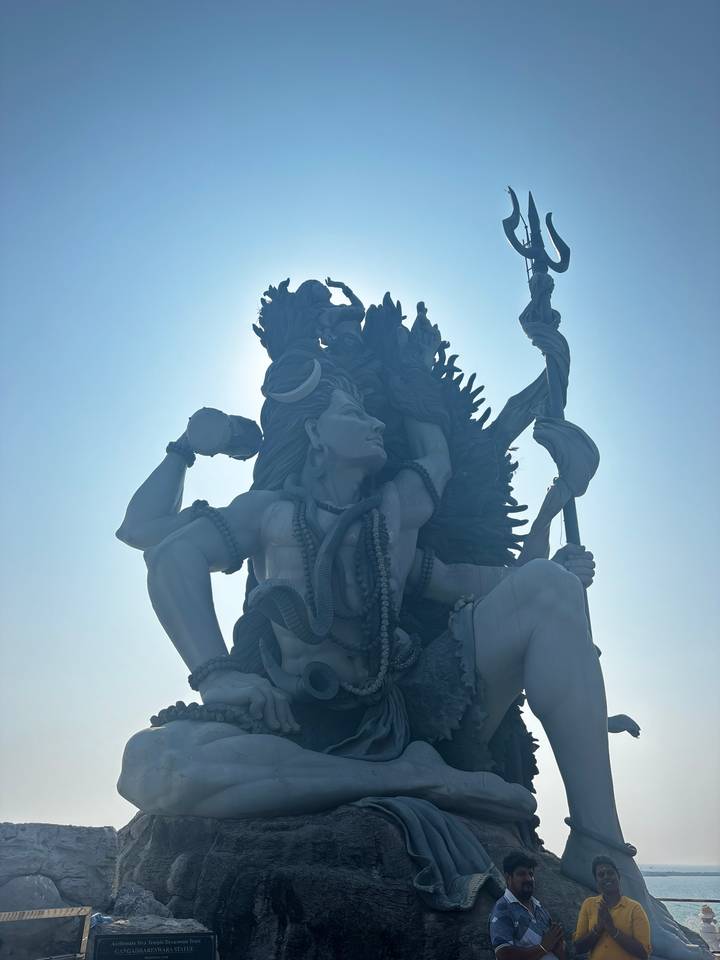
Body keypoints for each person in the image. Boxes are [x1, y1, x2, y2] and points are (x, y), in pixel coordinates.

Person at [115, 280, 706, 960]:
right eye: (353, 414)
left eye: (374, 413)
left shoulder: (398, 510)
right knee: (151, 763)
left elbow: (476, 551)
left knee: (545, 588)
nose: (372, 424)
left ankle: (601, 846)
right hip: (296, 724)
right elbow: (166, 555)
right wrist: (217, 676)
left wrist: (556, 490)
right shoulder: (269, 512)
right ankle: (426, 781)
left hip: (408, 707)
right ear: (313, 431)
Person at [489, 851, 565, 960]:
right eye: (521, 874)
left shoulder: (540, 909)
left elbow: (557, 949)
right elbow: (503, 955)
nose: (529, 879)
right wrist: (543, 947)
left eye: (531, 874)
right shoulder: (503, 909)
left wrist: (559, 947)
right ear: (508, 877)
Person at [574, 856, 651, 960]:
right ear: (596, 880)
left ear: (618, 876)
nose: (606, 877)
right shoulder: (589, 905)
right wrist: (598, 929)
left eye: (610, 873)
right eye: (601, 875)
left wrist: (613, 930)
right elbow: (579, 948)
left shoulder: (634, 908)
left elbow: (643, 953)